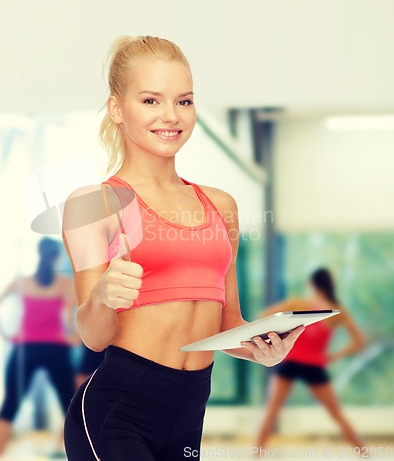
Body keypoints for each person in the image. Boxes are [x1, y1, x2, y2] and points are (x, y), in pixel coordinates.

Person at [61, 35, 306, 461]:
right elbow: (93, 337)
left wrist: (260, 349)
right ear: (117, 109)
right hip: (117, 411)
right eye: (151, 101)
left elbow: (226, 324)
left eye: (185, 101)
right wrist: (102, 297)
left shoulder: (220, 205)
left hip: (190, 413)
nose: (171, 116)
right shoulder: (95, 204)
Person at [254, 267, 367, 452]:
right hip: (315, 365)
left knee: (271, 411)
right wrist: (333, 356)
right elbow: (359, 341)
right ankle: (365, 453)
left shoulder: (298, 303)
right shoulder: (337, 311)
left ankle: (256, 455)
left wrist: (281, 337)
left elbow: (262, 317)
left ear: (311, 284)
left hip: (290, 362)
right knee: (337, 414)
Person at [0, 237, 79, 457]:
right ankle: (72, 452)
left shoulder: (22, 282)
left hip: (25, 348)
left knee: (10, 404)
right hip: (56, 349)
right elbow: (68, 319)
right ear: (56, 257)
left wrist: (6, 335)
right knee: (71, 404)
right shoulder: (65, 285)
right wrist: (75, 338)